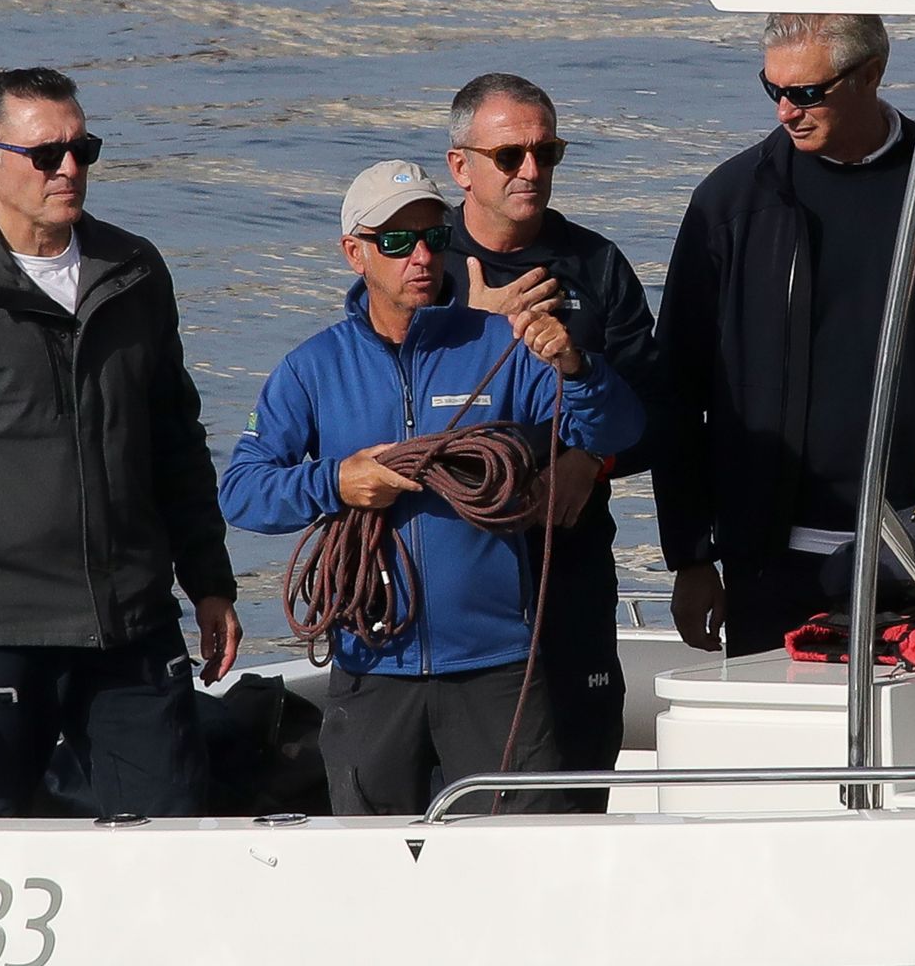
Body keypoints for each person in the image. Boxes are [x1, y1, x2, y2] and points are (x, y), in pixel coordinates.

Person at [0, 67, 241, 817]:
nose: (68, 169)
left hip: (132, 622)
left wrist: (210, 583)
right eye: (46, 154)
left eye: (81, 149)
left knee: (172, 842)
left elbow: (176, 444)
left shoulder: (134, 272)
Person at [219, 160, 644, 816]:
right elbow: (243, 491)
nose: (419, 255)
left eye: (433, 237)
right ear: (354, 252)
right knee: (374, 872)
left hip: (496, 668)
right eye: (396, 241)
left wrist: (574, 363)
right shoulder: (313, 367)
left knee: (520, 868)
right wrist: (339, 480)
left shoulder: (500, 344)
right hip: (371, 668)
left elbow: (616, 425)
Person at [655, 12, 915, 656]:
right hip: (773, 559)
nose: (785, 111)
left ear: (871, 75)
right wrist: (692, 559)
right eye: (772, 89)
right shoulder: (729, 205)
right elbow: (677, 387)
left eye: (806, 93)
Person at [443, 72, 664, 813]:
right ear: (461, 165)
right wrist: (467, 327)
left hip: (566, 562)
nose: (532, 171)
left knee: (575, 764)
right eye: (510, 156)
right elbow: (369, 402)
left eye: (548, 152)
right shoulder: (418, 260)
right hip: (450, 571)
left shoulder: (596, 264)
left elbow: (655, 409)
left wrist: (587, 462)